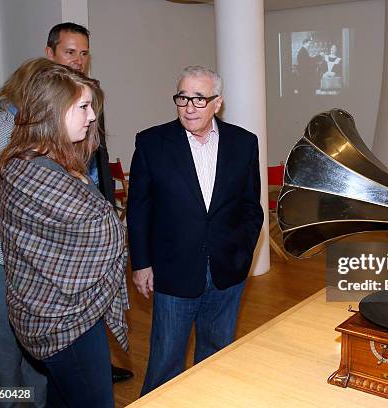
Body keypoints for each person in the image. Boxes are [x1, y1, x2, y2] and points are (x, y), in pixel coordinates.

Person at [0, 62, 128, 407]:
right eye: (83, 107)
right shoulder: (33, 172)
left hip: (53, 316)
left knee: (62, 398)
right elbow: (102, 232)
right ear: (53, 112)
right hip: (65, 324)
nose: (92, 117)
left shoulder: (29, 162)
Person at [127, 65, 263, 395]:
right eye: (183, 97)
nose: (189, 106)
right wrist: (141, 263)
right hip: (172, 272)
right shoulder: (152, 143)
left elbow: (251, 207)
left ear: (218, 103)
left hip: (227, 270)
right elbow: (139, 208)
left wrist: (242, 254)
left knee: (217, 355)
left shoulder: (244, 143)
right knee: (165, 361)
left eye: (199, 99)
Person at [45, 21, 133, 383]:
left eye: (83, 54)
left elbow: (97, 155)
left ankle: (97, 362)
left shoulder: (90, 94)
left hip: (92, 215)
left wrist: (107, 206)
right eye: (70, 52)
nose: (78, 60)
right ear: (50, 54)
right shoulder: (41, 107)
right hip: (63, 234)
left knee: (96, 302)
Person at [0, 58, 53, 408]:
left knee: (37, 365)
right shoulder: (0, 132)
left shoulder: (41, 130)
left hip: (35, 270)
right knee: (4, 369)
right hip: (1, 272)